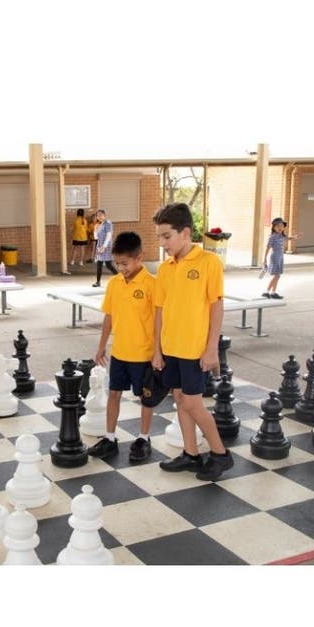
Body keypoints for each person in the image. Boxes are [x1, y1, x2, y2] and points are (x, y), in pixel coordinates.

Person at [152, 202, 233, 482]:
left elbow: (216, 307)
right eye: (159, 237)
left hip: (194, 349)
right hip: (171, 347)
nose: (162, 243)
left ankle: (220, 454)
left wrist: (212, 349)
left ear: (185, 233)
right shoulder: (164, 269)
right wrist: (157, 350)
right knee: (179, 399)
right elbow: (159, 310)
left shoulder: (208, 262)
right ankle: (191, 453)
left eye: (166, 236)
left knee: (193, 403)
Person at [88, 232, 157, 464]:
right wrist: (101, 347)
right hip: (119, 353)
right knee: (114, 395)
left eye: (125, 263)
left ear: (139, 258)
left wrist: (158, 353)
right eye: (117, 263)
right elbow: (109, 316)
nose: (120, 268)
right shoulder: (114, 284)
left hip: (144, 354)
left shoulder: (151, 284)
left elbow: (160, 322)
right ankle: (110, 438)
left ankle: (144, 438)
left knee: (146, 398)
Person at [262, 218, 300, 298]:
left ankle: (272, 292)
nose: (280, 227)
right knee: (277, 275)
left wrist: (295, 237)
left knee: (278, 275)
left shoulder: (282, 236)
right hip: (275, 257)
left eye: (282, 226)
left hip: (280, 257)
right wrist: (264, 259)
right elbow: (268, 247)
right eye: (278, 226)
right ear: (274, 227)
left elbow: (288, 238)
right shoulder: (272, 237)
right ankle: (267, 292)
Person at [92, 209, 117, 287]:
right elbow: (96, 238)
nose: (99, 217)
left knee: (108, 264)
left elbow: (109, 236)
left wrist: (104, 246)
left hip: (106, 247)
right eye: (97, 216)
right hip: (99, 247)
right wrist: (95, 230)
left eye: (101, 215)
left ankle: (121, 278)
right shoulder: (99, 225)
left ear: (104, 215)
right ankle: (98, 282)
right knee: (99, 264)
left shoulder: (108, 223)